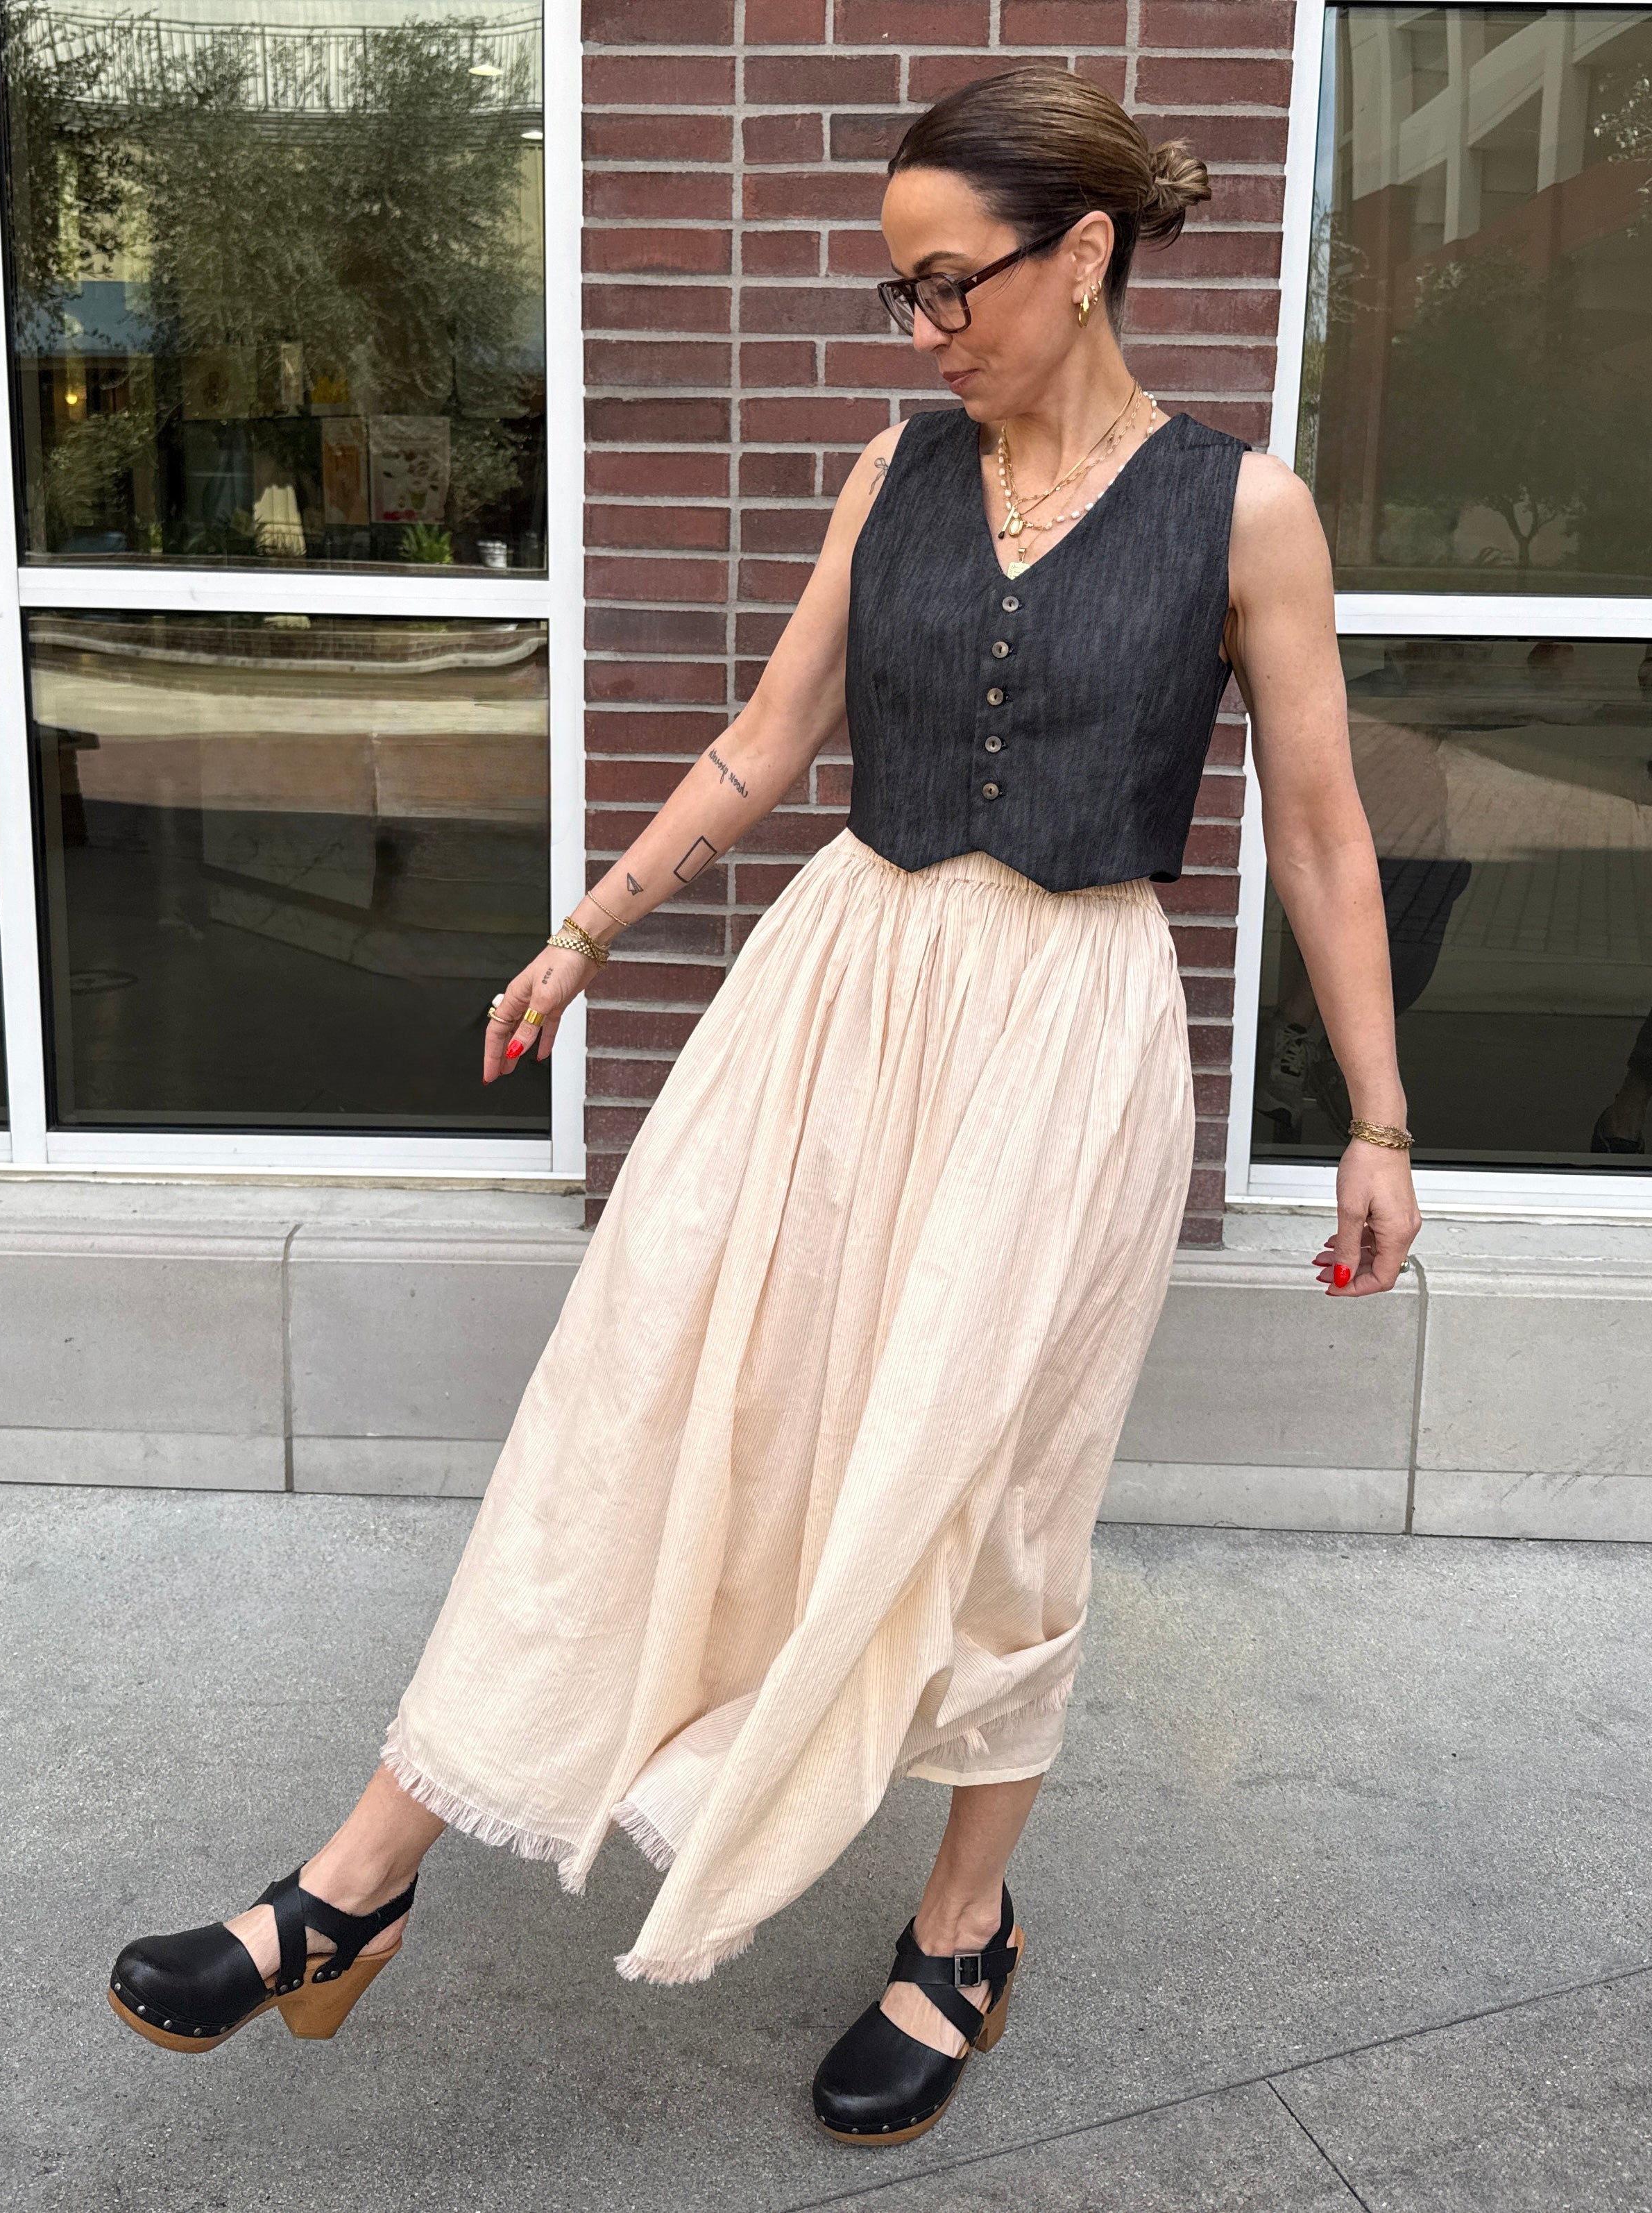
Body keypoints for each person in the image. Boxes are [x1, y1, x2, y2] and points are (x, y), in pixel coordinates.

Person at [106, 65, 1422, 2148]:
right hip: (835, 997)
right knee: (654, 1404)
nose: (925, 332)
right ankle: (353, 1887)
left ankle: (961, 1930)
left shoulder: (1240, 508)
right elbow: (764, 736)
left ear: (1082, 260)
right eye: (903, 297)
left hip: (1064, 1036)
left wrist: (1377, 1120)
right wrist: (588, 931)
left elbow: (1329, 837)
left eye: (948, 287)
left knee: (991, 1488)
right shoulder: (898, 474)